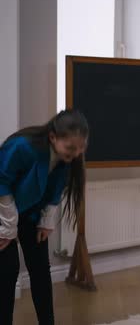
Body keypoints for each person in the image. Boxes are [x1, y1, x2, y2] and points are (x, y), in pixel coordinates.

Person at [0, 109, 89, 325]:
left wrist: (47, 221)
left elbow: (55, 191)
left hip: (30, 214)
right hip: (2, 212)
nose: (75, 154)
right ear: (52, 137)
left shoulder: (67, 160)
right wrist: (8, 227)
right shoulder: (22, 147)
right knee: (7, 272)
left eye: (80, 149)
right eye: (70, 148)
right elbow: (1, 182)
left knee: (40, 269)